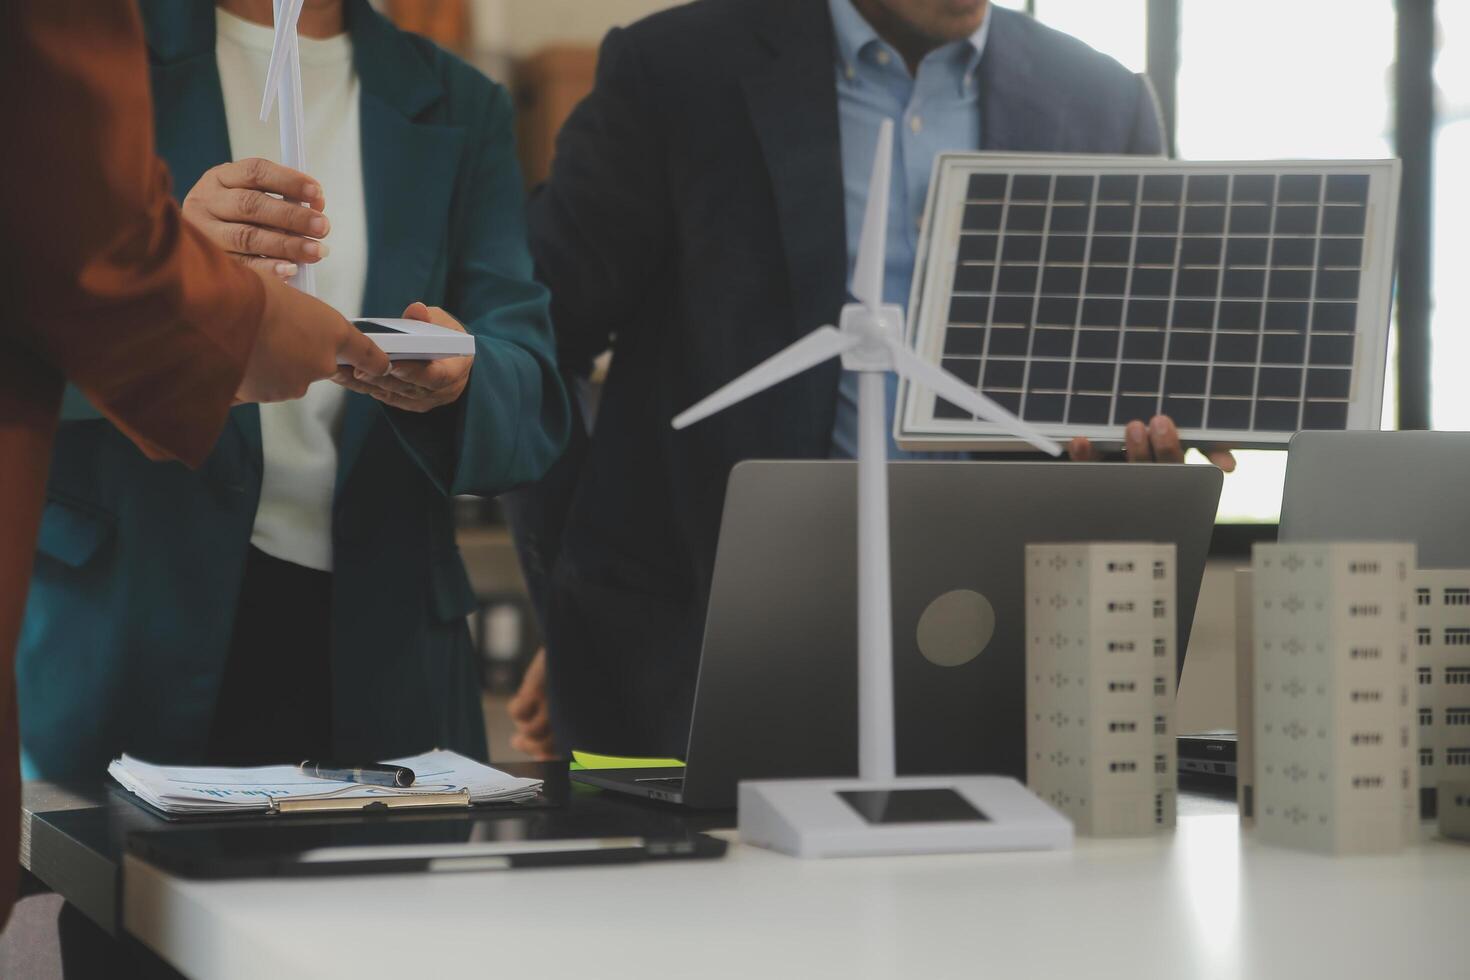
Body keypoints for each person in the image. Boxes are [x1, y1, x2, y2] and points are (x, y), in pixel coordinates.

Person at [508, 0, 1235, 761]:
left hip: (996, 662)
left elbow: (1120, 384)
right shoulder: (675, 70)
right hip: (697, 663)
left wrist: (1139, 462)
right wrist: (575, 607)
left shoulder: (1102, 102)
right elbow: (528, 345)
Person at [16, 0, 570, 781]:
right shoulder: (95, 57)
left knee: (384, 902)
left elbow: (533, 389)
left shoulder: (457, 100)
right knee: (123, 899)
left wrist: (462, 377)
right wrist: (169, 287)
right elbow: (27, 341)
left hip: (385, 655)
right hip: (125, 633)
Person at [0, 0, 391, 928]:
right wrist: (236, 319)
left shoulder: (447, 92)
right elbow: (90, 246)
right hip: (127, 635)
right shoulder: (133, 39)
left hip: (364, 639)